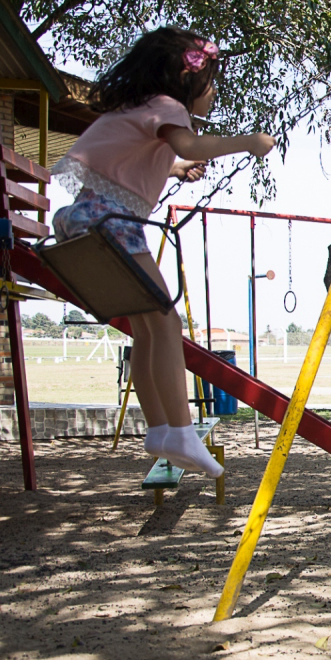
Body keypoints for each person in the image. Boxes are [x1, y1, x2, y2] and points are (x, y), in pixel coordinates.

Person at [50, 28, 275, 478]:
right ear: (187, 79)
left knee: (146, 327)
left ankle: (159, 429)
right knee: (167, 320)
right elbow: (191, 143)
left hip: (87, 216)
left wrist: (174, 169)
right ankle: (180, 430)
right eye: (210, 84)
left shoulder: (144, 108)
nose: (212, 95)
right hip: (110, 221)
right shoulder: (170, 108)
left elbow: (145, 153)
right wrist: (249, 141)